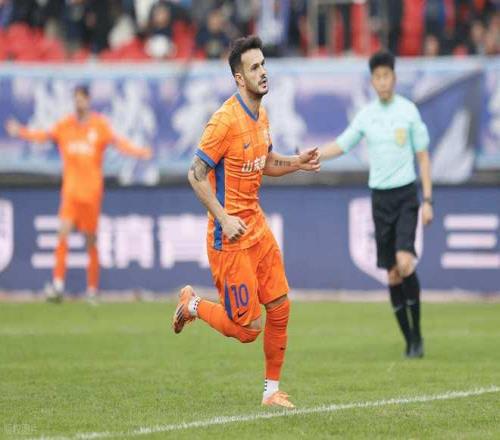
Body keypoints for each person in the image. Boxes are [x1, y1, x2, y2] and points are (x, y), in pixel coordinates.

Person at [172, 36, 320, 408]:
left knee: (281, 307)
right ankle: (192, 305)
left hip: (257, 227)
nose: (263, 72)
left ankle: (271, 392)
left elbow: (265, 162)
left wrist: (297, 162)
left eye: (264, 64)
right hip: (229, 239)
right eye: (254, 67)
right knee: (248, 329)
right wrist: (223, 218)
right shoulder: (224, 121)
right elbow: (195, 174)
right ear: (239, 78)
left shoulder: (262, 116)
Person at [319, 51, 433, 358]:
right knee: (393, 274)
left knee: (405, 262)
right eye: (377, 77)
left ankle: (418, 335)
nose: (382, 82)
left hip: (406, 196)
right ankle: (409, 340)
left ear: (394, 78)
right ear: (372, 81)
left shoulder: (408, 111)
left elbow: (423, 158)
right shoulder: (367, 115)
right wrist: (312, 155)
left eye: (386, 76)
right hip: (380, 200)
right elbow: (342, 144)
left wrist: (427, 200)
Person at [5, 85, 152, 302]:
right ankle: (57, 285)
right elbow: (43, 135)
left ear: (88, 101)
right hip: (70, 193)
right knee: (62, 233)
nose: (78, 102)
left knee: (90, 241)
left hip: (91, 194)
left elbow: (118, 143)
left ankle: (92, 289)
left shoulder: (100, 126)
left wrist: (140, 152)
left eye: (82, 98)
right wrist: (21, 132)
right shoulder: (65, 126)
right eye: (76, 98)